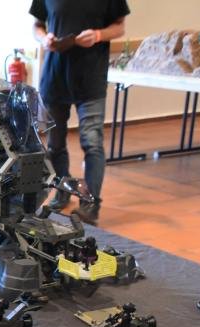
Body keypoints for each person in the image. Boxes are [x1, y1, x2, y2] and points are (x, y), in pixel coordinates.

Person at [30, 0, 130, 224]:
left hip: (91, 80)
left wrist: (98, 35)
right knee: (55, 144)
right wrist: (44, 39)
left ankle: (90, 203)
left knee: (92, 142)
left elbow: (119, 27)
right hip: (54, 78)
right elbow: (37, 25)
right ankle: (62, 191)